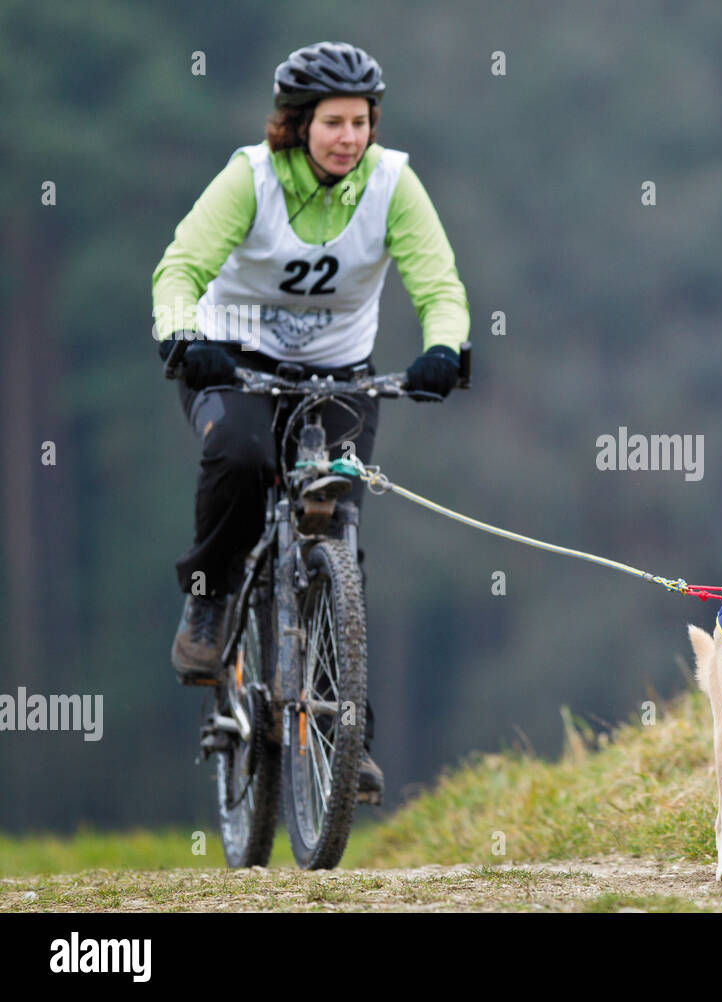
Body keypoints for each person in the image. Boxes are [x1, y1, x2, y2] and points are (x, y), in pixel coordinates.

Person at [152, 41, 470, 805]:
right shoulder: (250, 178)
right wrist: (182, 337)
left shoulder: (393, 183)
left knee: (335, 534)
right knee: (237, 453)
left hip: (339, 372)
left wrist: (443, 348)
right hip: (235, 359)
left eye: (360, 122)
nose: (349, 138)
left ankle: (343, 731)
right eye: (333, 122)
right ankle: (209, 592)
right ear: (295, 125)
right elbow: (181, 268)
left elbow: (441, 284)